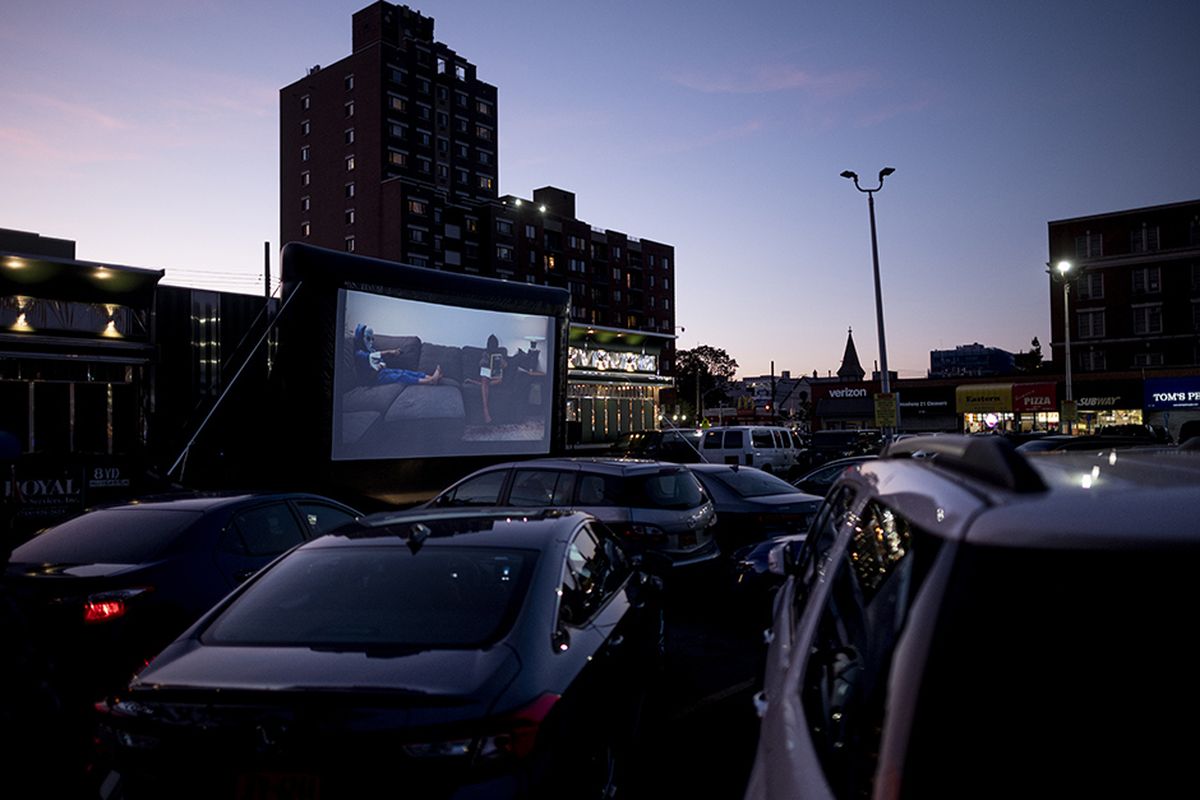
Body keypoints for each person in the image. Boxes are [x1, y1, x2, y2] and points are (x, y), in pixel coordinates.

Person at [353, 324, 441, 386]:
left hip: (382, 372)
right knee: (401, 377)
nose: (371, 341)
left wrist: (381, 365)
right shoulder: (359, 353)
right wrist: (389, 352)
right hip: (374, 380)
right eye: (368, 338)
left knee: (403, 372)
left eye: (372, 339)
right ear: (361, 338)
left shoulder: (370, 350)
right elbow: (371, 357)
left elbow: (379, 361)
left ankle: (430, 377)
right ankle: (430, 381)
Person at [466, 334, 507, 424]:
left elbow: (505, 366)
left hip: (495, 376)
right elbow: (480, 365)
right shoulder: (485, 353)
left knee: (499, 380)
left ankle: (475, 383)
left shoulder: (500, 354)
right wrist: (486, 360)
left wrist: (503, 364)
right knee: (484, 379)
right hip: (486, 375)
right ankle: (485, 411)